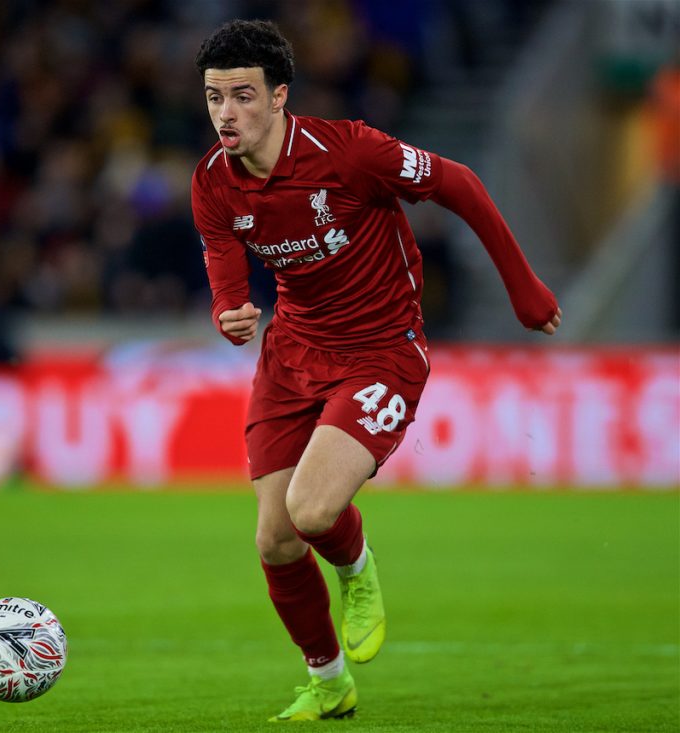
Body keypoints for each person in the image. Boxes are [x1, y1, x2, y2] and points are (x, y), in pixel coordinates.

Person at [190, 20, 561, 722]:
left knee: (311, 510)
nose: (225, 113)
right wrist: (228, 311)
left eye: (242, 96)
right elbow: (226, 268)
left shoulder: (350, 151)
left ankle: (357, 570)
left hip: (381, 352)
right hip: (292, 354)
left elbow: (462, 184)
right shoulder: (212, 182)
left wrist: (524, 289)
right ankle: (329, 682)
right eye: (214, 98)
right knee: (273, 538)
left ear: (279, 98)